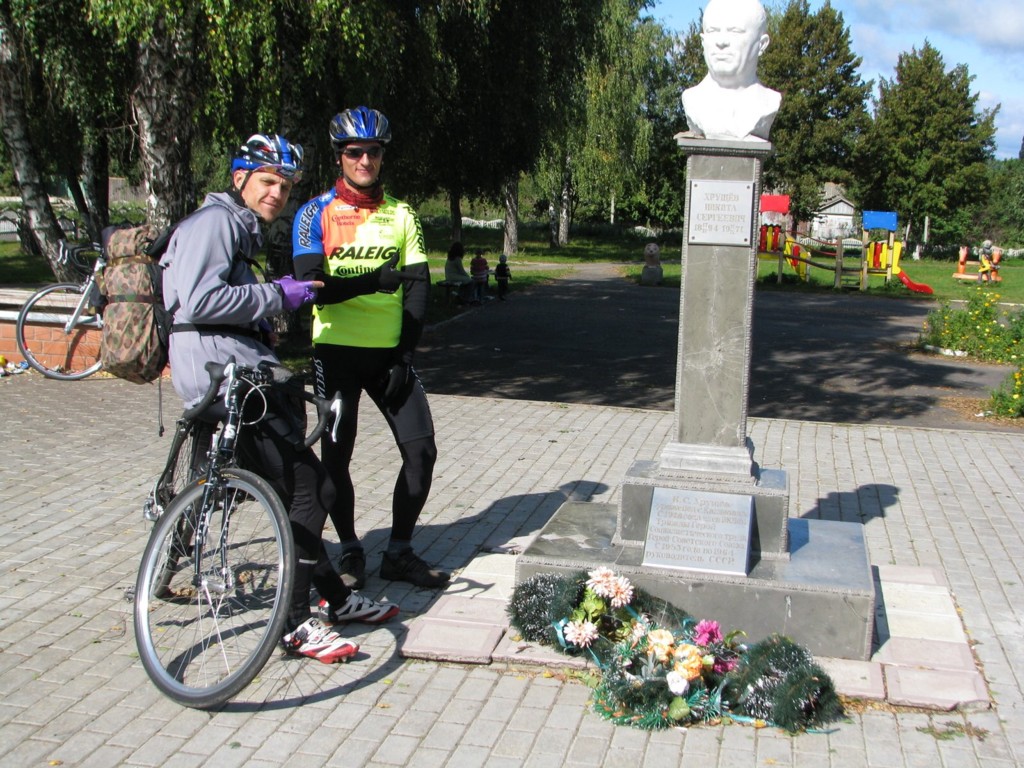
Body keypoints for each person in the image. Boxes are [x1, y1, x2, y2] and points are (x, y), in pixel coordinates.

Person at [161, 133, 403, 663]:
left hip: (233, 373)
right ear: (239, 178)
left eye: (286, 186)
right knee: (311, 490)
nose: (277, 193)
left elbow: (217, 301)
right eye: (268, 181)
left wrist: (263, 320)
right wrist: (276, 295)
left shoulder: (236, 227)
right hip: (229, 381)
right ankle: (294, 624)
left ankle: (335, 597)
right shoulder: (216, 222)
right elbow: (200, 300)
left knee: (300, 490)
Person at [293, 107, 450, 589]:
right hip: (335, 353)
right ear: (340, 156)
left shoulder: (402, 214)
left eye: (373, 152)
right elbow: (309, 287)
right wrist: (370, 281)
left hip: (388, 357)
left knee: (422, 452)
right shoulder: (314, 212)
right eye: (354, 152)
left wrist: (405, 354)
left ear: (382, 155)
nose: (365, 160)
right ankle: (350, 549)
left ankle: (398, 552)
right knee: (336, 460)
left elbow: (419, 287)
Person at [681, 0, 781, 142]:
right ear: (703, 42)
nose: (721, 42)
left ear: (762, 44)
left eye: (735, 31)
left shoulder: (769, 102)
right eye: (713, 31)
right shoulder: (693, 100)